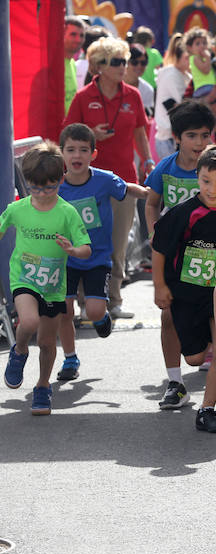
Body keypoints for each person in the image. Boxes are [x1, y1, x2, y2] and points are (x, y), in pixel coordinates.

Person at [144, 101, 216, 409]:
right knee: (169, 318)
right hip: (176, 260)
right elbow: (151, 202)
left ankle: (208, 406)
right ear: (177, 137)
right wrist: (153, 231)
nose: (199, 142)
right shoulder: (165, 168)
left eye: (204, 135)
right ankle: (175, 381)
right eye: (191, 135)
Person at [151, 146, 216, 433]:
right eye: (206, 181)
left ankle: (207, 409)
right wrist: (160, 285)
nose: (212, 189)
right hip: (186, 291)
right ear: (198, 177)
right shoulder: (185, 212)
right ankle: (192, 364)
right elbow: (159, 248)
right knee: (195, 357)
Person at [63, 36, 154, 320]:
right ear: (99, 66)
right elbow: (68, 134)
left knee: (117, 243)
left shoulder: (133, 94)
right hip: (87, 181)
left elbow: (140, 131)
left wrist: (148, 159)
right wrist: (92, 134)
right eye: (117, 62)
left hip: (123, 178)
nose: (123, 67)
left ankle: (113, 300)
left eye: (124, 61)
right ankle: (82, 303)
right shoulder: (83, 97)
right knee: (85, 241)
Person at [1, 142, 91, 414]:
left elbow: (86, 249)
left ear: (61, 180)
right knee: (28, 320)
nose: (41, 194)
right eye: (34, 188)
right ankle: (18, 351)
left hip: (53, 286)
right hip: (24, 279)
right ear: (26, 182)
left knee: (47, 343)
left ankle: (42, 386)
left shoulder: (67, 212)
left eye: (48, 187)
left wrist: (73, 250)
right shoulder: (18, 208)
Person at [55, 123, 147, 381]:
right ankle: (70, 359)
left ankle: (101, 316)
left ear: (93, 154)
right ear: (61, 153)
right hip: (67, 259)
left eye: (83, 150)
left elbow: (127, 188)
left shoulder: (104, 179)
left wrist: (150, 194)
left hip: (97, 258)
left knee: (93, 311)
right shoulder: (56, 186)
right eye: (71, 150)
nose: (77, 156)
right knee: (65, 309)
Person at [154, 34, 191, 159]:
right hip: (169, 138)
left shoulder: (183, 74)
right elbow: (184, 103)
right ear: (178, 56)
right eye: (187, 57)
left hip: (174, 136)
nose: (191, 61)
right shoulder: (171, 74)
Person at [64, 16, 86, 113]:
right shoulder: (53, 64)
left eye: (81, 35)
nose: (78, 40)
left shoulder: (73, 63)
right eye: (73, 34)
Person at [125, 44, 154, 117]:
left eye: (143, 63)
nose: (139, 66)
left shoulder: (147, 90)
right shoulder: (113, 84)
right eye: (134, 62)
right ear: (126, 63)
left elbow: (146, 119)